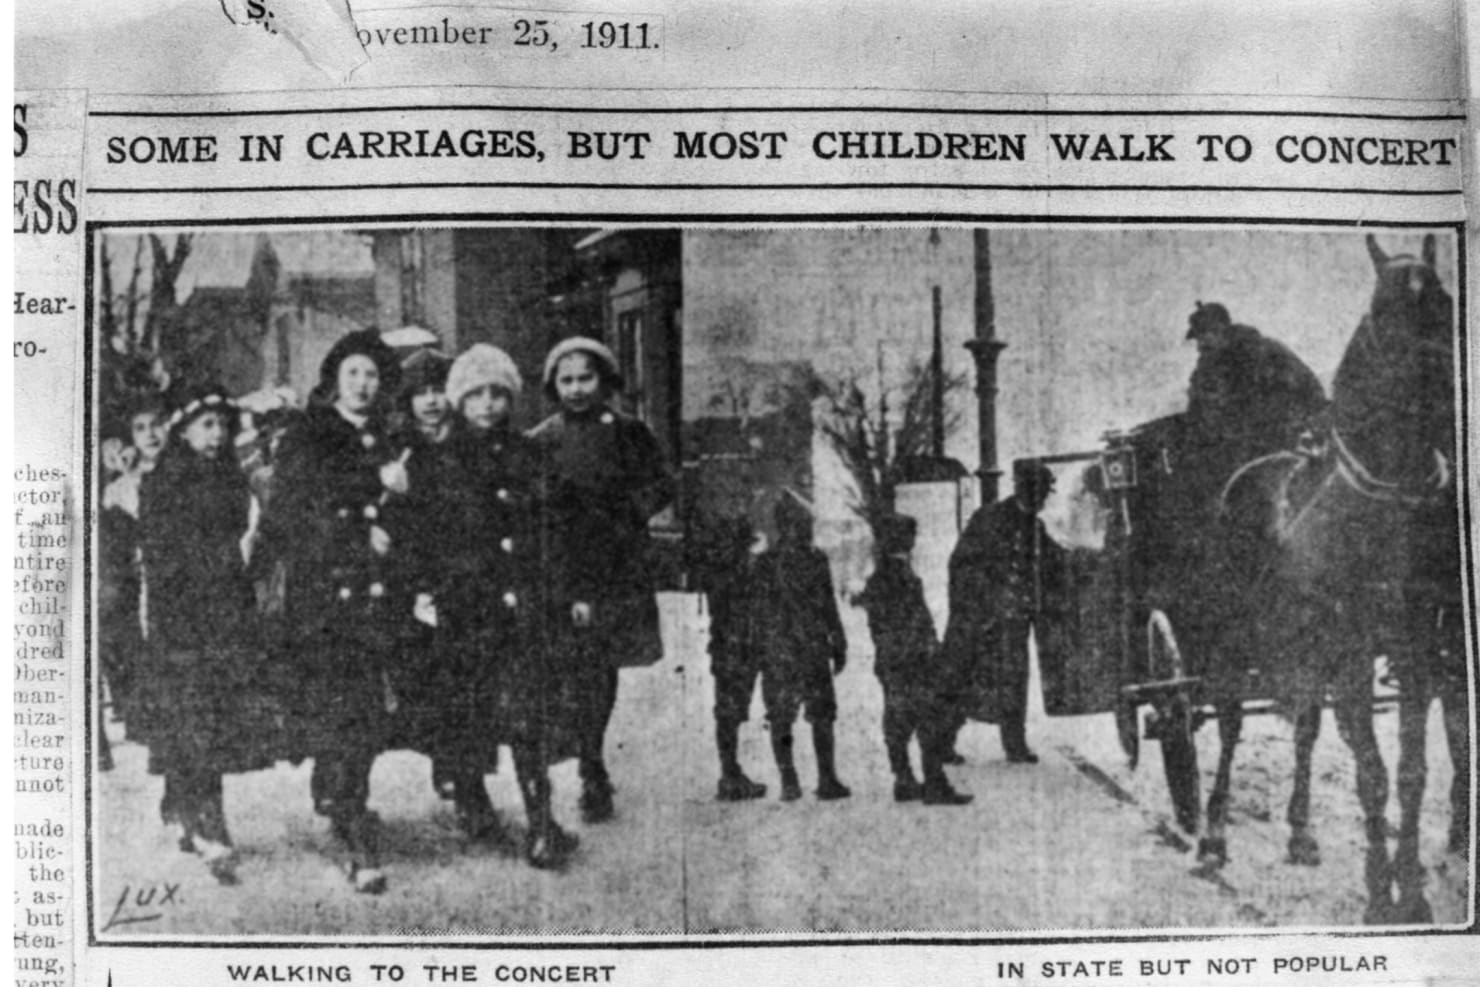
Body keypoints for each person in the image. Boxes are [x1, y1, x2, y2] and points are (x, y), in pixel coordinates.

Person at [403, 343, 580, 868]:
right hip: (467, 610)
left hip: (524, 607)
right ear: (460, 400)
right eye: (475, 394)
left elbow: (551, 528)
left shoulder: (530, 455)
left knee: (528, 716)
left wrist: (555, 588)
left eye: (496, 394)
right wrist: (433, 586)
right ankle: (475, 803)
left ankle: (541, 822)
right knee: (467, 712)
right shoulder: (439, 461)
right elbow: (423, 536)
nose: (486, 405)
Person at [265, 329, 407, 894]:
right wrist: (360, 532)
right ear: (334, 379)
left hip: (374, 598)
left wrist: (393, 514)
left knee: (368, 708)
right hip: (325, 599)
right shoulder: (307, 436)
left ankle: (344, 795)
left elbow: (403, 513)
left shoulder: (384, 437)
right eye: (354, 373)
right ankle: (349, 817)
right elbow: (293, 515)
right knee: (341, 705)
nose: (363, 384)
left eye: (372, 375)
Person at [529, 336, 675, 824]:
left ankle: (592, 767)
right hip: (563, 567)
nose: (575, 389)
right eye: (566, 380)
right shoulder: (543, 438)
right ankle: (569, 761)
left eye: (585, 378)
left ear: (604, 381)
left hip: (615, 567)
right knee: (568, 665)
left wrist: (626, 512)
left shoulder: (628, 432)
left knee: (598, 667)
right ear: (554, 385)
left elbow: (659, 483)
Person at [136, 384, 272, 884]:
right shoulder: (162, 482)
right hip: (182, 618)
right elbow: (159, 557)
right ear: (183, 430)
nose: (216, 435)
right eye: (206, 425)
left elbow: (244, 534)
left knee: (209, 717)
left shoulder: (232, 478)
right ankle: (208, 822)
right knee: (193, 714)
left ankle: (185, 804)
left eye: (222, 425)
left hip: (226, 610)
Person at [938, 460, 1066, 765]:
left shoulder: (1035, 526)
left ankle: (1015, 745)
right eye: (1041, 492)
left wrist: (1086, 559)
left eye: (1046, 493)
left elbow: (1054, 561)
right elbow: (961, 564)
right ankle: (942, 743)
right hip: (979, 621)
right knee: (961, 680)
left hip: (1014, 622)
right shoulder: (988, 518)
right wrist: (984, 602)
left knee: (1013, 682)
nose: (1043, 499)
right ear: (1025, 489)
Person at [858, 513, 971, 805]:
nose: (914, 540)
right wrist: (930, 651)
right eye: (911, 534)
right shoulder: (901, 576)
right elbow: (915, 623)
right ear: (903, 539)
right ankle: (934, 783)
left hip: (892, 660)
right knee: (929, 720)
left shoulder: (881, 576)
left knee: (897, 720)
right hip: (913, 661)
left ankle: (904, 778)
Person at [753, 494, 851, 802]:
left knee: (784, 715)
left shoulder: (766, 562)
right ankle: (824, 778)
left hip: (782, 649)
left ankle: (792, 779)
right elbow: (827, 606)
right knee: (818, 714)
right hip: (809, 647)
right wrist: (838, 641)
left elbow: (760, 613)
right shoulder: (812, 559)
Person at [1184, 301, 1327, 485]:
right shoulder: (1205, 370)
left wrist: (1303, 427)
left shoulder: (1265, 352)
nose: (1199, 346)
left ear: (1221, 330)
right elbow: (1196, 415)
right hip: (1227, 461)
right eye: (1198, 340)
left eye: (1204, 337)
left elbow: (1309, 390)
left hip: (1277, 449)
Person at [98, 393, 168, 753]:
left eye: (158, 424)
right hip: (140, 581)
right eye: (140, 428)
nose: (151, 434)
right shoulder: (120, 488)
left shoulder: (186, 474)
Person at [696, 515, 768, 801]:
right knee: (731, 712)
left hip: (724, 649)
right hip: (741, 649)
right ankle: (730, 776)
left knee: (726, 712)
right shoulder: (744, 571)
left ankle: (730, 772)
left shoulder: (717, 572)